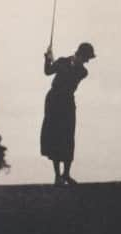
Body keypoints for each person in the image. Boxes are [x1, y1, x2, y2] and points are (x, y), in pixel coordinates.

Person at [40, 42, 95, 185]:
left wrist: (55, 61)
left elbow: (69, 75)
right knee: (55, 136)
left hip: (67, 102)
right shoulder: (62, 61)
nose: (88, 61)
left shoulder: (83, 71)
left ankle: (66, 174)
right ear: (80, 54)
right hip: (53, 101)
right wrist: (48, 58)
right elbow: (47, 72)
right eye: (87, 58)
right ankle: (58, 176)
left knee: (68, 137)